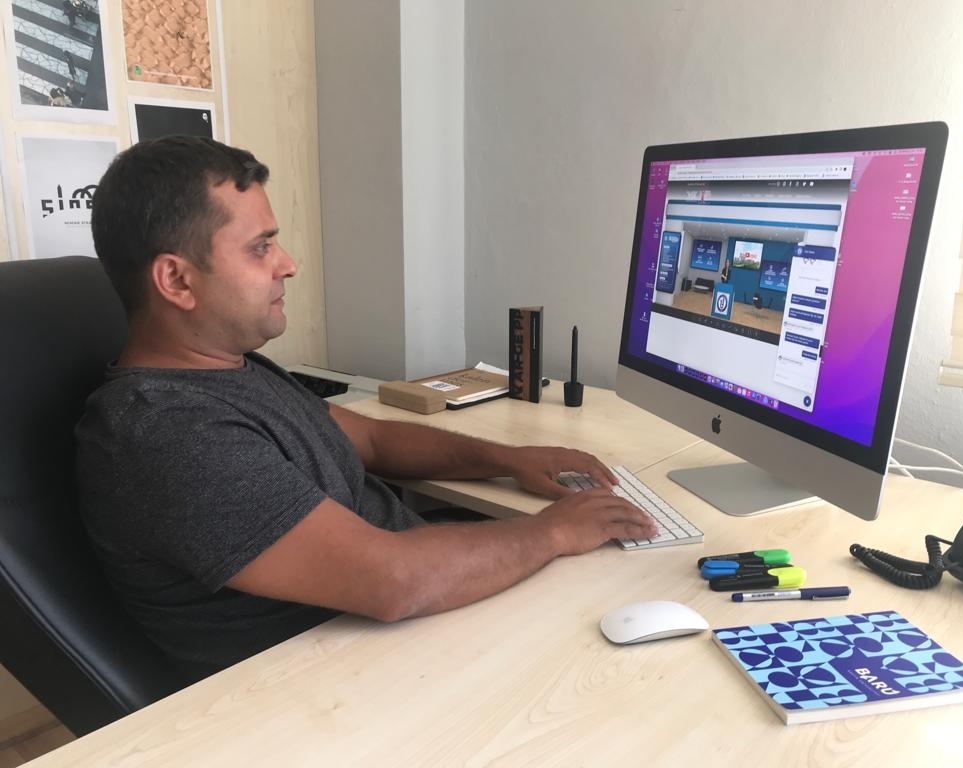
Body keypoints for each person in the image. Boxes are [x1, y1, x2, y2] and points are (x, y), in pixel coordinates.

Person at [76, 136, 656, 681]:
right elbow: (392, 581)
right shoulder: (167, 431)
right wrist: (553, 532)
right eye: (260, 248)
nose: (288, 264)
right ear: (176, 280)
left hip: (409, 624)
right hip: (343, 682)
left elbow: (374, 440)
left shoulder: (232, 369)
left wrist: (509, 460)